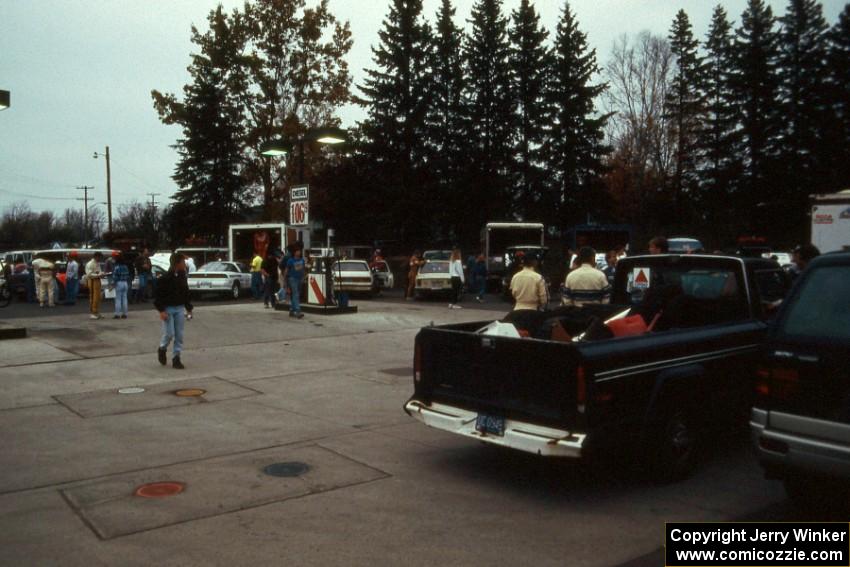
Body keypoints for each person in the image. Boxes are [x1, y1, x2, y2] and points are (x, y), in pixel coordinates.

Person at [155, 253, 194, 369]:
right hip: (168, 309)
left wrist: (189, 308)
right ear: (177, 263)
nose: (184, 264)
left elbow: (185, 293)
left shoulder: (182, 277)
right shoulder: (164, 278)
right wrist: (161, 310)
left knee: (179, 335)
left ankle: (176, 357)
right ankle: (162, 348)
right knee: (169, 333)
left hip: (179, 307)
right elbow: (158, 296)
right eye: (183, 262)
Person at [283, 248, 306, 319]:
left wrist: (303, 277)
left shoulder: (302, 260)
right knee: (295, 294)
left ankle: (292, 310)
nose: (298, 252)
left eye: (299, 251)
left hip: (300, 279)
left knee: (296, 295)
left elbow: (303, 269)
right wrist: (284, 279)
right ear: (294, 252)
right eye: (297, 251)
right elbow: (286, 270)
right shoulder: (290, 260)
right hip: (292, 278)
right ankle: (298, 311)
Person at [85, 252, 105, 320]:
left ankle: (96, 312)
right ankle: (92, 313)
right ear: (96, 256)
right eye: (99, 257)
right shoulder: (90, 264)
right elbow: (89, 274)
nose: (100, 259)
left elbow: (99, 271)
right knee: (93, 297)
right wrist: (98, 275)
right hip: (92, 281)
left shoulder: (97, 263)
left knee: (98, 297)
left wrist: (101, 274)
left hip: (97, 280)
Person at [110, 254, 131, 319]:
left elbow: (115, 277)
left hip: (119, 283)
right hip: (125, 283)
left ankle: (117, 314)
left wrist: (112, 285)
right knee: (124, 299)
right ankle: (124, 314)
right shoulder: (125, 267)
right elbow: (128, 276)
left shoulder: (117, 267)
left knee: (118, 299)